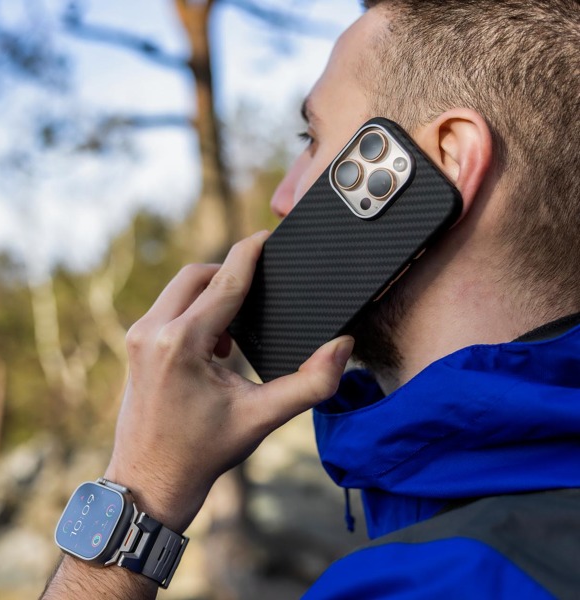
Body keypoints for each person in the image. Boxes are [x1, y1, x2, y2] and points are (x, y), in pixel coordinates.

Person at [42, 0, 580, 597]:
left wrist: (139, 490)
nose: (282, 196)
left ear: (448, 159)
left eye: (312, 139)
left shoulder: (435, 585)